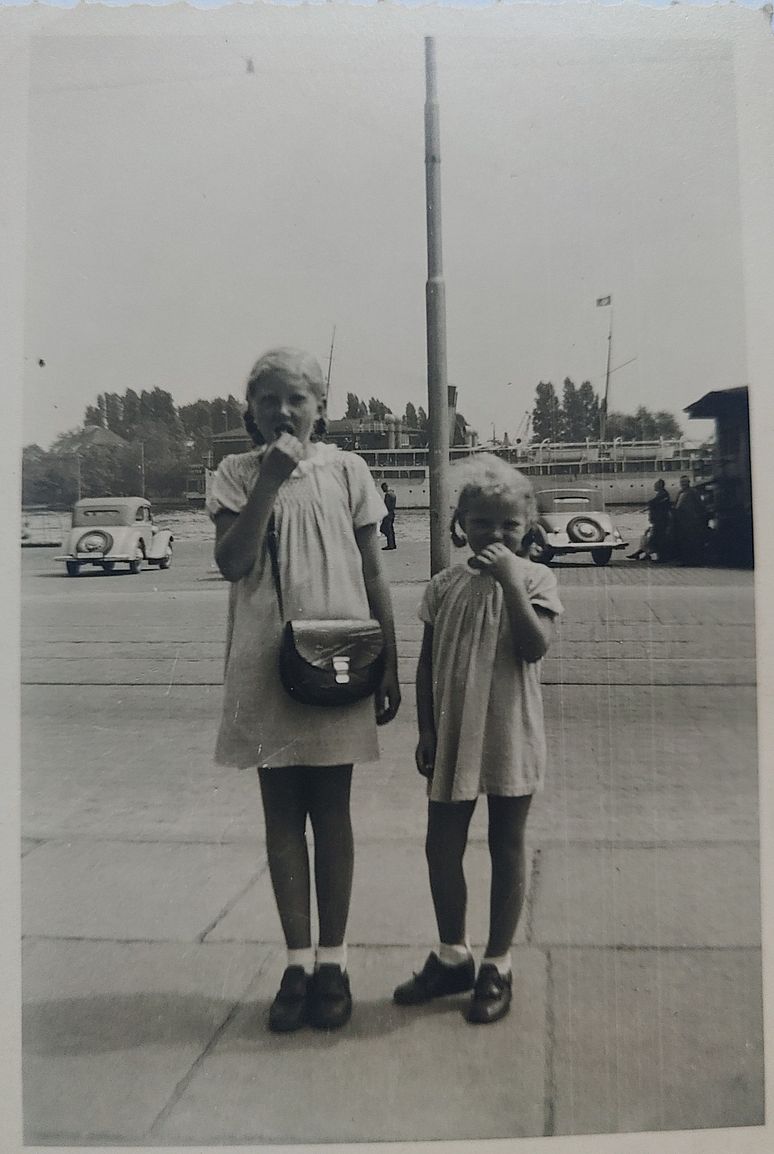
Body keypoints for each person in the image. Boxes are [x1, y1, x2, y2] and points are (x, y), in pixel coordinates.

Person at [207, 347, 401, 1033]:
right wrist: (270, 479)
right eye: (269, 400)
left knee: (333, 813)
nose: (283, 411)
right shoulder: (236, 474)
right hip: (267, 661)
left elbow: (373, 573)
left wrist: (391, 660)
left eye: (297, 398)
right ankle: (296, 961)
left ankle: (333, 963)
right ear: (251, 411)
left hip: (341, 657)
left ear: (321, 406)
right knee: (283, 816)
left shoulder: (349, 470)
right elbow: (233, 563)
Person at [393, 455, 563, 1024]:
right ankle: (452, 956)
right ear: (460, 525)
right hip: (453, 732)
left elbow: (534, 647)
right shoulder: (444, 586)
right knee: (441, 843)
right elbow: (425, 665)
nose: (496, 534)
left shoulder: (536, 579)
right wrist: (426, 728)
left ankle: (498, 963)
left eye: (509, 525)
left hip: (511, 730)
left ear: (528, 527)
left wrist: (511, 579)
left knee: (507, 843)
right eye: (483, 523)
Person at [629, 477, 672, 562]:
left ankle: (654, 556)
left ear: (660, 486)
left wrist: (650, 505)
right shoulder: (662, 494)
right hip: (658, 520)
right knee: (653, 538)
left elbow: (654, 503)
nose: (654, 487)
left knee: (656, 539)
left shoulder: (663, 495)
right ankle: (645, 554)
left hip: (660, 521)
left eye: (655, 485)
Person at [672, 475, 707, 566]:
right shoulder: (680, 493)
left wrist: (698, 517)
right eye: (681, 482)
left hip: (691, 521)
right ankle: (685, 560)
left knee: (693, 541)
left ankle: (695, 561)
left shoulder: (693, 492)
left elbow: (700, 505)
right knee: (684, 542)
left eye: (684, 482)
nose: (683, 484)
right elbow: (677, 505)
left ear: (688, 482)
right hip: (682, 521)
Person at [380, 481, 397, 550]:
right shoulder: (393, 494)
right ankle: (393, 544)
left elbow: (387, 505)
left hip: (388, 514)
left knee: (384, 529)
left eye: (383, 488)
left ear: (385, 487)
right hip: (392, 513)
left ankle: (390, 544)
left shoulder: (388, 495)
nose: (382, 490)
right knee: (390, 529)